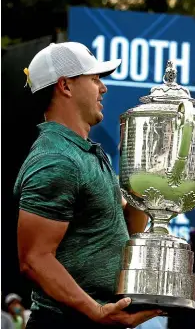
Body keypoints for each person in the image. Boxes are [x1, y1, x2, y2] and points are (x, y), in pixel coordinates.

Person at [15, 41, 162, 328]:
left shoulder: (86, 153)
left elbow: (130, 227)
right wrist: (95, 311)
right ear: (66, 86)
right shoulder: (56, 159)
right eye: (95, 79)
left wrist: (140, 177)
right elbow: (34, 258)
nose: (103, 88)